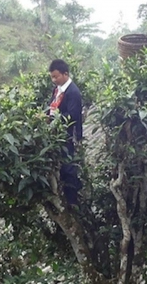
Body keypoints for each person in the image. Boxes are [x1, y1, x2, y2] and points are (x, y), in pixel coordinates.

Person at [48, 59, 83, 204]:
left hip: (69, 135)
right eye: (52, 77)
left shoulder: (73, 92)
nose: (54, 80)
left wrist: (54, 118)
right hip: (59, 134)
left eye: (56, 76)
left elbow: (72, 115)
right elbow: (52, 106)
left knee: (69, 168)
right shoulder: (58, 89)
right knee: (62, 167)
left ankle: (72, 200)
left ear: (65, 74)